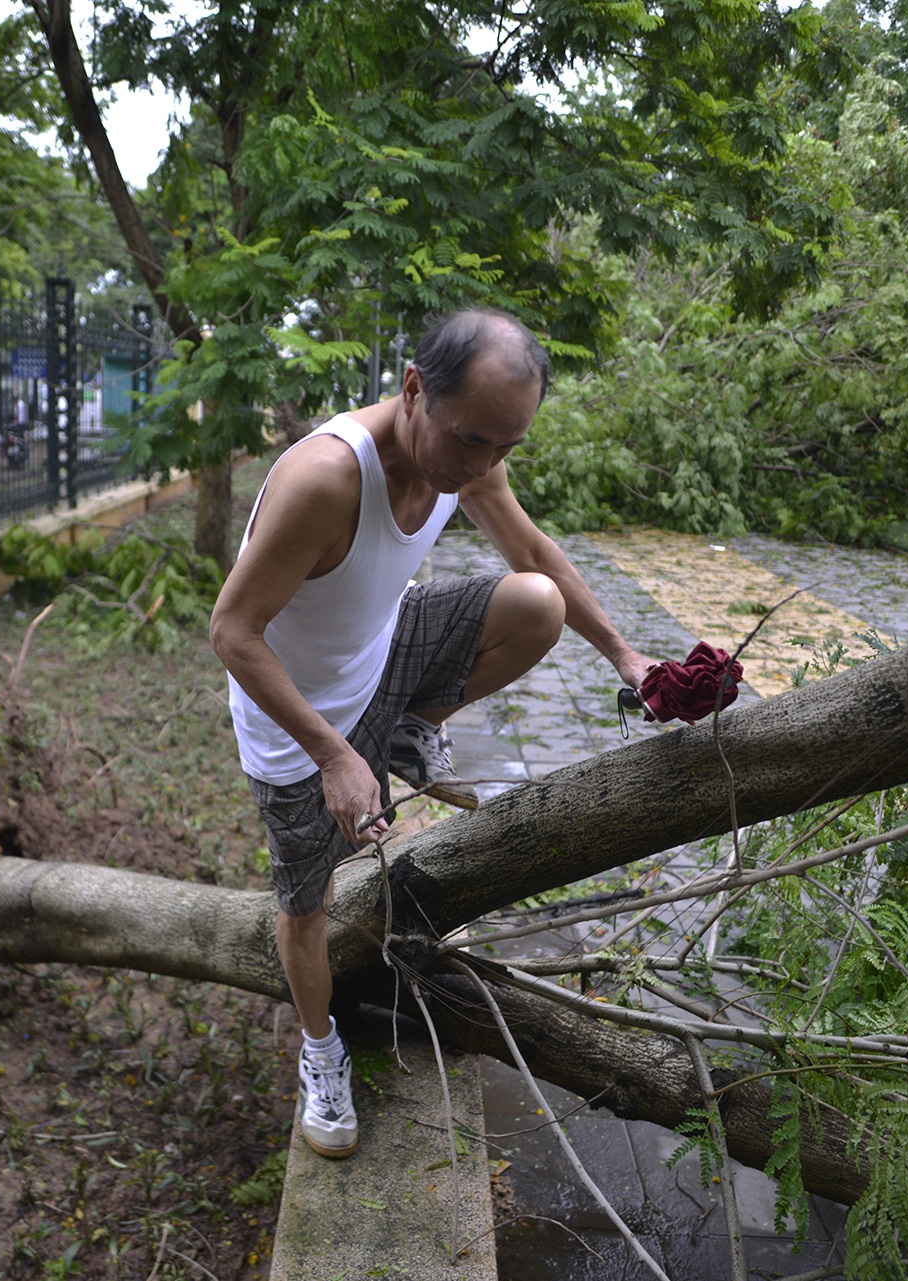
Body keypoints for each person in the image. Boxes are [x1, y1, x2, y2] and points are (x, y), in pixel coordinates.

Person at [209, 309, 659, 1160]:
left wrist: (628, 658)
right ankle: (319, 1050)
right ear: (413, 388)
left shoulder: (465, 455)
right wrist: (335, 756)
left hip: (384, 652)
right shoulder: (327, 479)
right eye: (471, 442)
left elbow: (532, 548)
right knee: (306, 907)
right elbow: (232, 631)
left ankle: (413, 729)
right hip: (298, 724)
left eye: (503, 448)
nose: (482, 466)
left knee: (537, 604)